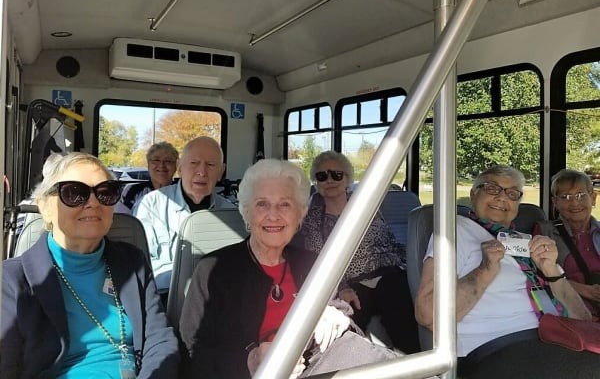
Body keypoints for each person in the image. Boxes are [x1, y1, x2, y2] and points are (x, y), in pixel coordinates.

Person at [0, 152, 180, 378]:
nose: (93, 203)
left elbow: (160, 339)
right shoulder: (11, 279)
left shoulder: (132, 262)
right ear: (45, 207)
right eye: (74, 192)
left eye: (106, 193)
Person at [415, 164, 599, 378]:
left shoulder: (527, 243)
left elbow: (582, 318)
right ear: (474, 194)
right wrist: (485, 269)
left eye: (512, 193)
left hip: (558, 337)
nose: (502, 198)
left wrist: (551, 270)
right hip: (496, 348)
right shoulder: (454, 231)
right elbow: (428, 314)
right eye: (492, 188)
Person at [179, 159, 351, 379]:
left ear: (300, 214)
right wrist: (249, 361)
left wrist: (334, 314)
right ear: (247, 213)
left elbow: (346, 317)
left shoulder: (314, 264)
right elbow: (193, 353)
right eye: (262, 204)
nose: (273, 215)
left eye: (285, 204)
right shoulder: (212, 270)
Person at [291, 151, 419, 353]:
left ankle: (417, 366)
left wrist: (413, 266)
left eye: (336, 174)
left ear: (347, 179)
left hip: (387, 273)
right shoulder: (313, 217)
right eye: (322, 176)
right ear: (316, 182)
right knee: (348, 324)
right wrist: (340, 287)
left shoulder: (366, 206)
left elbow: (388, 243)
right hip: (350, 281)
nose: (330, 180)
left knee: (400, 312)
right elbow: (317, 258)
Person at [134, 136, 235, 291]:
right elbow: (141, 262)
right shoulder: (150, 205)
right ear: (179, 167)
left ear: (221, 171)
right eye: (194, 163)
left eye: (211, 164)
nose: (202, 172)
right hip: (164, 296)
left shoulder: (230, 214)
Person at [534, 169, 600, 319]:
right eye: (565, 197)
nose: (574, 202)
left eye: (581, 195)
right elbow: (536, 277)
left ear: (593, 198)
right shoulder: (544, 231)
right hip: (569, 311)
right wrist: (585, 290)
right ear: (555, 203)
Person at [115, 141, 178, 214]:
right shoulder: (133, 192)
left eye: (168, 161)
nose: (161, 165)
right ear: (148, 164)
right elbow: (121, 221)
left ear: (176, 166)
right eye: (156, 160)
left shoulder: (183, 192)